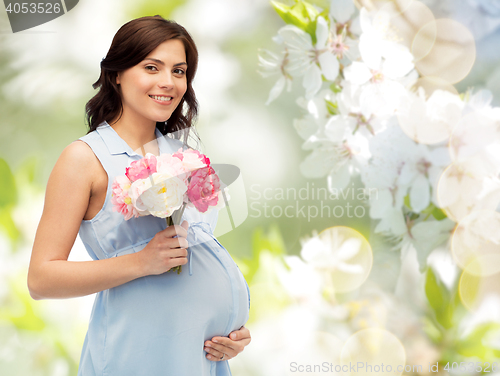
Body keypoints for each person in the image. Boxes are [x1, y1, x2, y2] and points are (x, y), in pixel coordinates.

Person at [27, 15, 251, 375]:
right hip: (137, 354)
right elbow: (41, 279)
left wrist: (232, 331)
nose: (169, 82)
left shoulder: (185, 157)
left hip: (200, 359)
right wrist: (142, 262)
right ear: (116, 74)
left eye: (179, 71)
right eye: (152, 67)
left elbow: (202, 257)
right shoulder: (84, 159)